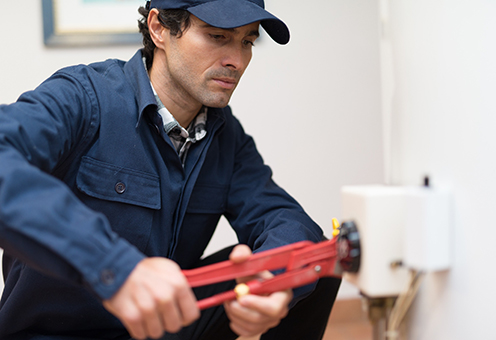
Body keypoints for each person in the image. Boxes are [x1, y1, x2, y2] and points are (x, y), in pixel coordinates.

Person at [0, 0, 341, 339]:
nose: (236, 61)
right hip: (58, 333)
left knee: (310, 263)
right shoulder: (83, 97)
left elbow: (283, 217)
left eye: (247, 42)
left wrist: (272, 281)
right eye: (218, 37)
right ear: (159, 28)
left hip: (165, 327)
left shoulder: (225, 134)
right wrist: (115, 266)